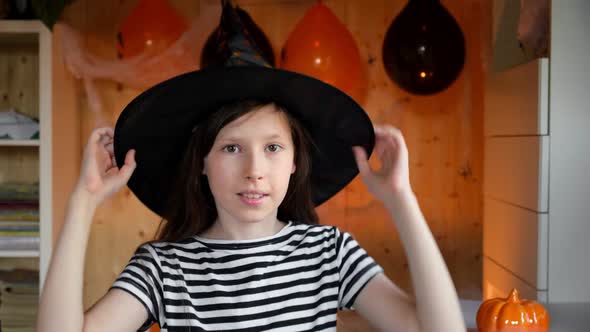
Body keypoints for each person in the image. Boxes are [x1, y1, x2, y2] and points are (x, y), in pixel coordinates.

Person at [37, 2, 465, 331]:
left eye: (274, 147)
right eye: (231, 149)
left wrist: (401, 200)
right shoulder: (162, 268)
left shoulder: (328, 254)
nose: (255, 169)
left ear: (297, 162)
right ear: (201, 163)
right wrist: (83, 203)